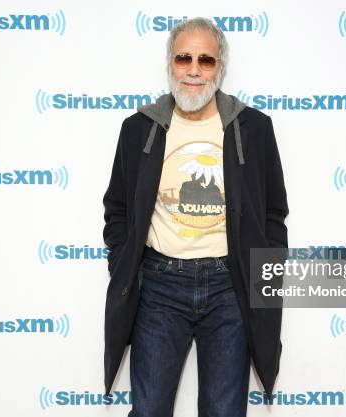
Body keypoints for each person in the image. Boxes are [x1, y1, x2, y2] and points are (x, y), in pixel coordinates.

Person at [102, 17, 289, 416]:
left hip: (230, 288)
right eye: (184, 57)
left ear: (219, 68)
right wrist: (123, 261)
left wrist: (264, 277)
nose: (193, 69)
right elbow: (116, 209)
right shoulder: (139, 129)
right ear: (170, 63)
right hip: (159, 288)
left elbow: (274, 211)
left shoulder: (253, 128)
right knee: (149, 408)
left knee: (224, 411)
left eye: (205, 60)